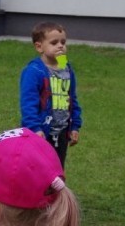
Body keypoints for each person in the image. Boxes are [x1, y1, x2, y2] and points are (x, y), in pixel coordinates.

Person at [20, 22, 82, 168]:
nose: (60, 46)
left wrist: (75, 126)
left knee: (57, 169)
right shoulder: (34, 71)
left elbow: (72, 98)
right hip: (41, 132)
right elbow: (28, 104)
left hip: (61, 131)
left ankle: (56, 191)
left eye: (63, 42)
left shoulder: (65, 67)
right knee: (38, 170)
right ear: (39, 47)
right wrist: (35, 129)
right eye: (54, 42)